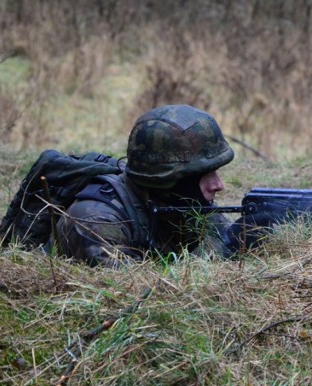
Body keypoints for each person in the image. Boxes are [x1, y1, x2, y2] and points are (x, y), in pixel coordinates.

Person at [48, 104, 253, 267]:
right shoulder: (95, 220)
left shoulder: (181, 203)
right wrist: (222, 248)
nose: (218, 185)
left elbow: (220, 237)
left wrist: (244, 237)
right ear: (165, 179)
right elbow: (145, 294)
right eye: (203, 174)